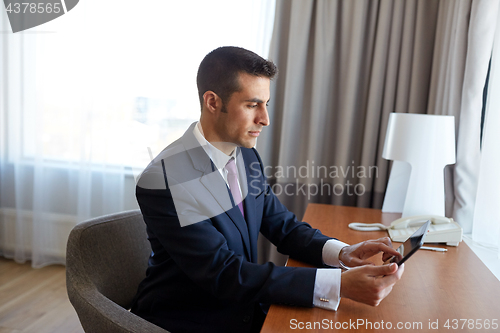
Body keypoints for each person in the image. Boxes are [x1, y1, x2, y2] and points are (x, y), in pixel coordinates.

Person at [131, 46, 404, 333]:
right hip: (191, 321)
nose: (265, 119)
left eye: (266, 104)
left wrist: (342, 253)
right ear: (212, 102)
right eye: (252, 105)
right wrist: (338, 285)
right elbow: (224, 274)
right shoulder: (166, 179)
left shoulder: (245, 155)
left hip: (245, 307)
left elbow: (281, 225)